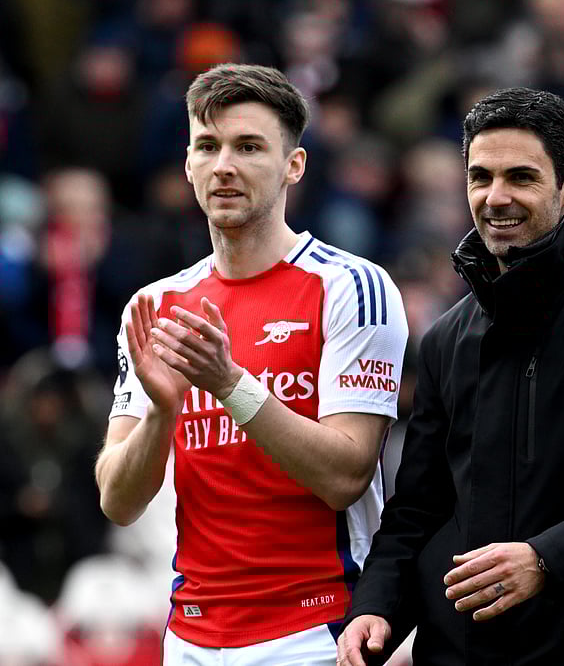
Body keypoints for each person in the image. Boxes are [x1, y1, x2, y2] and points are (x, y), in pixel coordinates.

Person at [336, 87, 564, 666]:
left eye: (520, 177)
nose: (496, 197)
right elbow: (418, 509)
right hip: (459, 652)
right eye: (480, 177)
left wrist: (545, 559)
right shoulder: (445, 339)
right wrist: (378, 607)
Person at [95, 64, 407, 664]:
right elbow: (118, 500)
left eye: (249, 146)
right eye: (207, 147)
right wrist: (163, 412)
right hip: (189, 634)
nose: (224, 166)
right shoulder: (158, 305)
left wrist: (229, 383)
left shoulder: (351, 286)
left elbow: (346, 477)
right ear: (187, 165)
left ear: (295, 166)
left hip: (316, 630)